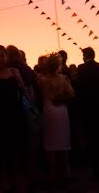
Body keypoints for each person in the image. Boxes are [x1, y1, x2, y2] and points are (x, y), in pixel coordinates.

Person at [0, 45, 28, 192]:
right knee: (1, 150)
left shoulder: (14, 71)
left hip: (16, 113)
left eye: (1, 55)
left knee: (16, 149)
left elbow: (22, 90)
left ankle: (17, 181)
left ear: (6, 57)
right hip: (1, 114)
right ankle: (3, 182)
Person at [75, 46, 99, 180]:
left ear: (85, 56)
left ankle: (96, 170)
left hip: (88, 108)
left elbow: (79, 89)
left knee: (92, 140)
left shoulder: (81, 69)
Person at [36, 53, 74, 188]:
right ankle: (63, 175)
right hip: (62, 113)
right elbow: (71, 94)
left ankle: (52, 177)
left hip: (48, 112)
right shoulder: (64, 79)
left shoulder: (41, 80)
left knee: (50, 147)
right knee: (63, 145)